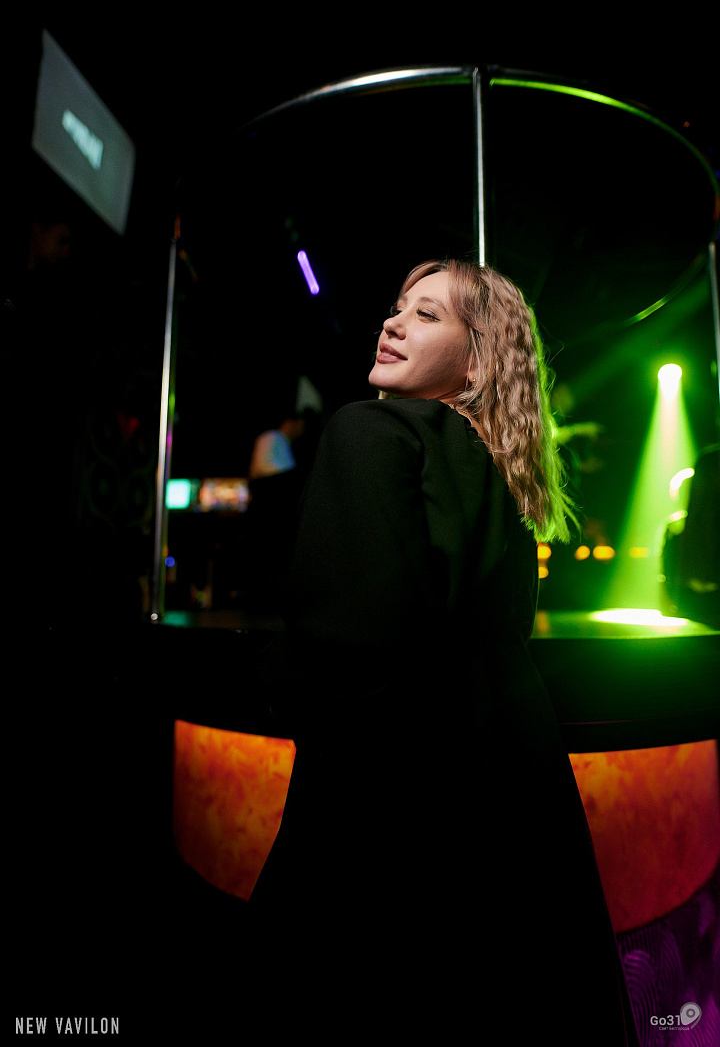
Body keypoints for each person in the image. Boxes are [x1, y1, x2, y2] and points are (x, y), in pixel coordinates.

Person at [248, 260, 639, 1043]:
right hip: (511, 800)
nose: (392, 323)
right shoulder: (506, 482)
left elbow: (351, 648)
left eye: (427, 315)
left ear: (477, 359)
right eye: (398, 308)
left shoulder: (371, 430)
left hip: (392, 817)